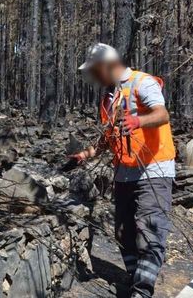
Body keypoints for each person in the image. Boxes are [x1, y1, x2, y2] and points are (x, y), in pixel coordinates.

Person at [70, 43, 175, 298]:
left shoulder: (142, 83)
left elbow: (162, 114)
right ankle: (134, 277)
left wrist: (138, 120)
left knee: (150, 230)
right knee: (123, 233)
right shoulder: (108, 98)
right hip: (124, 172)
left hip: (154, 169)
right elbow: (109, 137)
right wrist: (86, 153)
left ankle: (143, 291)